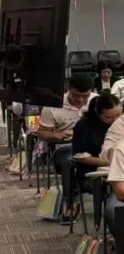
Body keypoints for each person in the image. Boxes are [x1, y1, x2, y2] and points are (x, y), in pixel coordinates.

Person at [41, 74, 96, 219]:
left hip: (94, 146)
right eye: (76, 95)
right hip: (66, 147)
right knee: (69, 161)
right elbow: (42, 133)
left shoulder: (97, 102)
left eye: (85, 96)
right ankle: (70, 202)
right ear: (67, 89)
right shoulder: (53, 105)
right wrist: (57, 135)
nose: (80, 100)